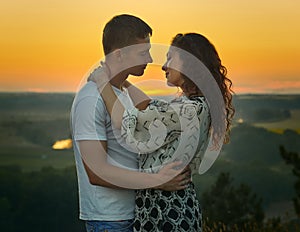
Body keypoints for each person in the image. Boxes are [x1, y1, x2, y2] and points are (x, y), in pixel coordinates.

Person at [92, 32, 235, 231]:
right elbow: (149, 106)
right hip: (163, 208)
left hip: (169, 212)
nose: (164, 65)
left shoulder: (189, 110)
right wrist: (124, 81)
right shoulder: (192, 105)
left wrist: (102, 82)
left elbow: (125, 124)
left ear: (189, 63)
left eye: (170, 58)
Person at [71, 14, 191, 232]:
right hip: (110, 220)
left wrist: (119, 79)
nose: (149, 59)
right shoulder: (91, 99)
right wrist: (158, 181)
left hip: (135, 215)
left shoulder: (118, 94)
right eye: (142, 52)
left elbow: (147, 106)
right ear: (118, 55)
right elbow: (96, 173)